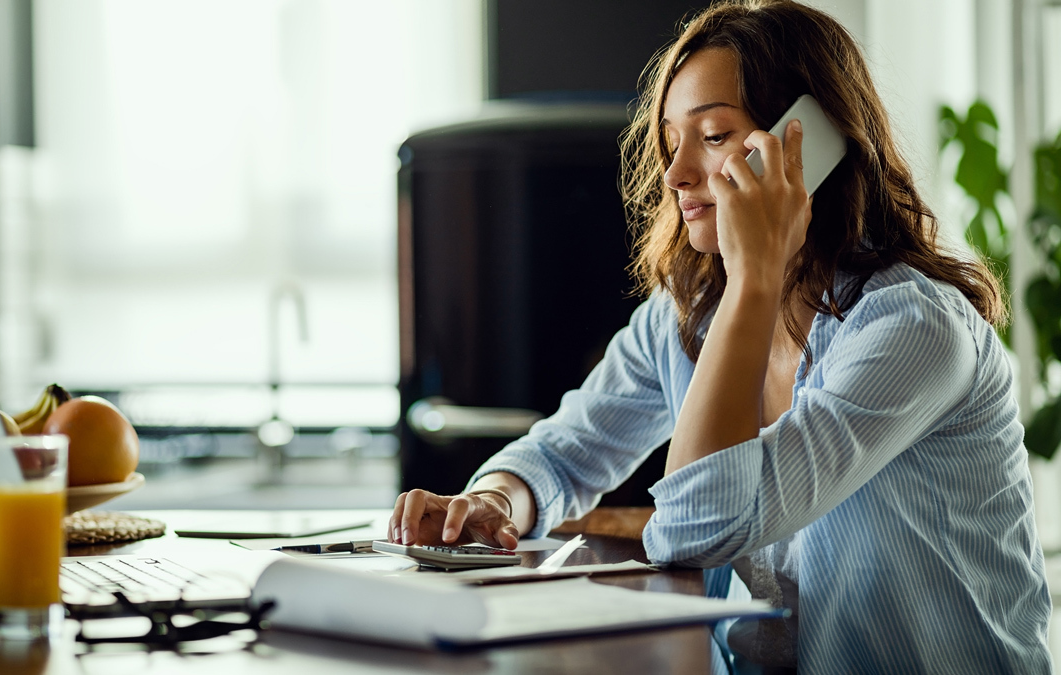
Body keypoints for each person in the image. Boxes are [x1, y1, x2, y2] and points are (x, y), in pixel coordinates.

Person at [388, 0, 1052, 672]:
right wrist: (494, 499)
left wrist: (754, 279)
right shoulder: (688, 311)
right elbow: (566, 450)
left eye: (712, 136)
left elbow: (695, 527)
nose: (676, 175)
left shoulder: (913, 328)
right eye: (672, 141)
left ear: (809, 140)